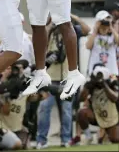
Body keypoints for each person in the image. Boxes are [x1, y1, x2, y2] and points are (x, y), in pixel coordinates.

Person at [36, 15, 90, 149]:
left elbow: (87, 29)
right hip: (50, 77)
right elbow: (41, 36)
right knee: (44, 108)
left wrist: (71, 15)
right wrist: (50, 20)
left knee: (66, 110)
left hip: (67, 78)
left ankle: (66, 139)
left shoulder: (71, 30)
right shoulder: (50, 31)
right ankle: (41, 140)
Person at [76, 64, 119, 144]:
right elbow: (81, 99)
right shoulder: (91, 83)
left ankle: (105, 136)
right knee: (82, 113)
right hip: (97, 114)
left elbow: (115, 98)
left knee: (115, 139)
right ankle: (89, 137)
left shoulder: (112, 80)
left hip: (112, 116)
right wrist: (88, 86)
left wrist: (105, 85)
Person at [86, 10, 119, 76]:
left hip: (111, 71)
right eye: (102, 22)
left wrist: (111, 27)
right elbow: (88, 46)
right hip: (96, 71)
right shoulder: (93, 35)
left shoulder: (113, 36)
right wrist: (95, 29)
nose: (104, 25)